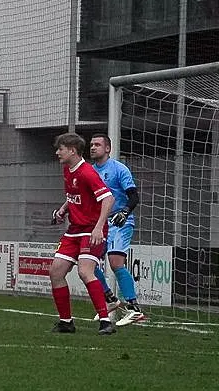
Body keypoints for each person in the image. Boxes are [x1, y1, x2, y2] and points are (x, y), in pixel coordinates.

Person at [49, 132, 116, 335]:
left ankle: (105, 321)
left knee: (84, 272)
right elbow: (75, 197)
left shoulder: (87, 172)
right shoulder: (68, 170)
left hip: (91, 230)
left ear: (72, 150)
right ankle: (66, 322)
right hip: (75, 229)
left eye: (61, 149)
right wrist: (63, 210)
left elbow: (108, 199)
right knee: (56, 272)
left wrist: (98, 227)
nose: (57, 152)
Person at [89, 133, 146, 326]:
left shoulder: (119, 169)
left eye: (97, 144)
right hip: (100, 224)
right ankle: (110, 299)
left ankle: (134, 308)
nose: (93, 147)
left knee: (115, 262)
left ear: (107, 149)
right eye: (91, 144)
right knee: (87, 263)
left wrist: (124, 211)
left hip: (120, 222)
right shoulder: (89, 172)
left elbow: (134, 197)